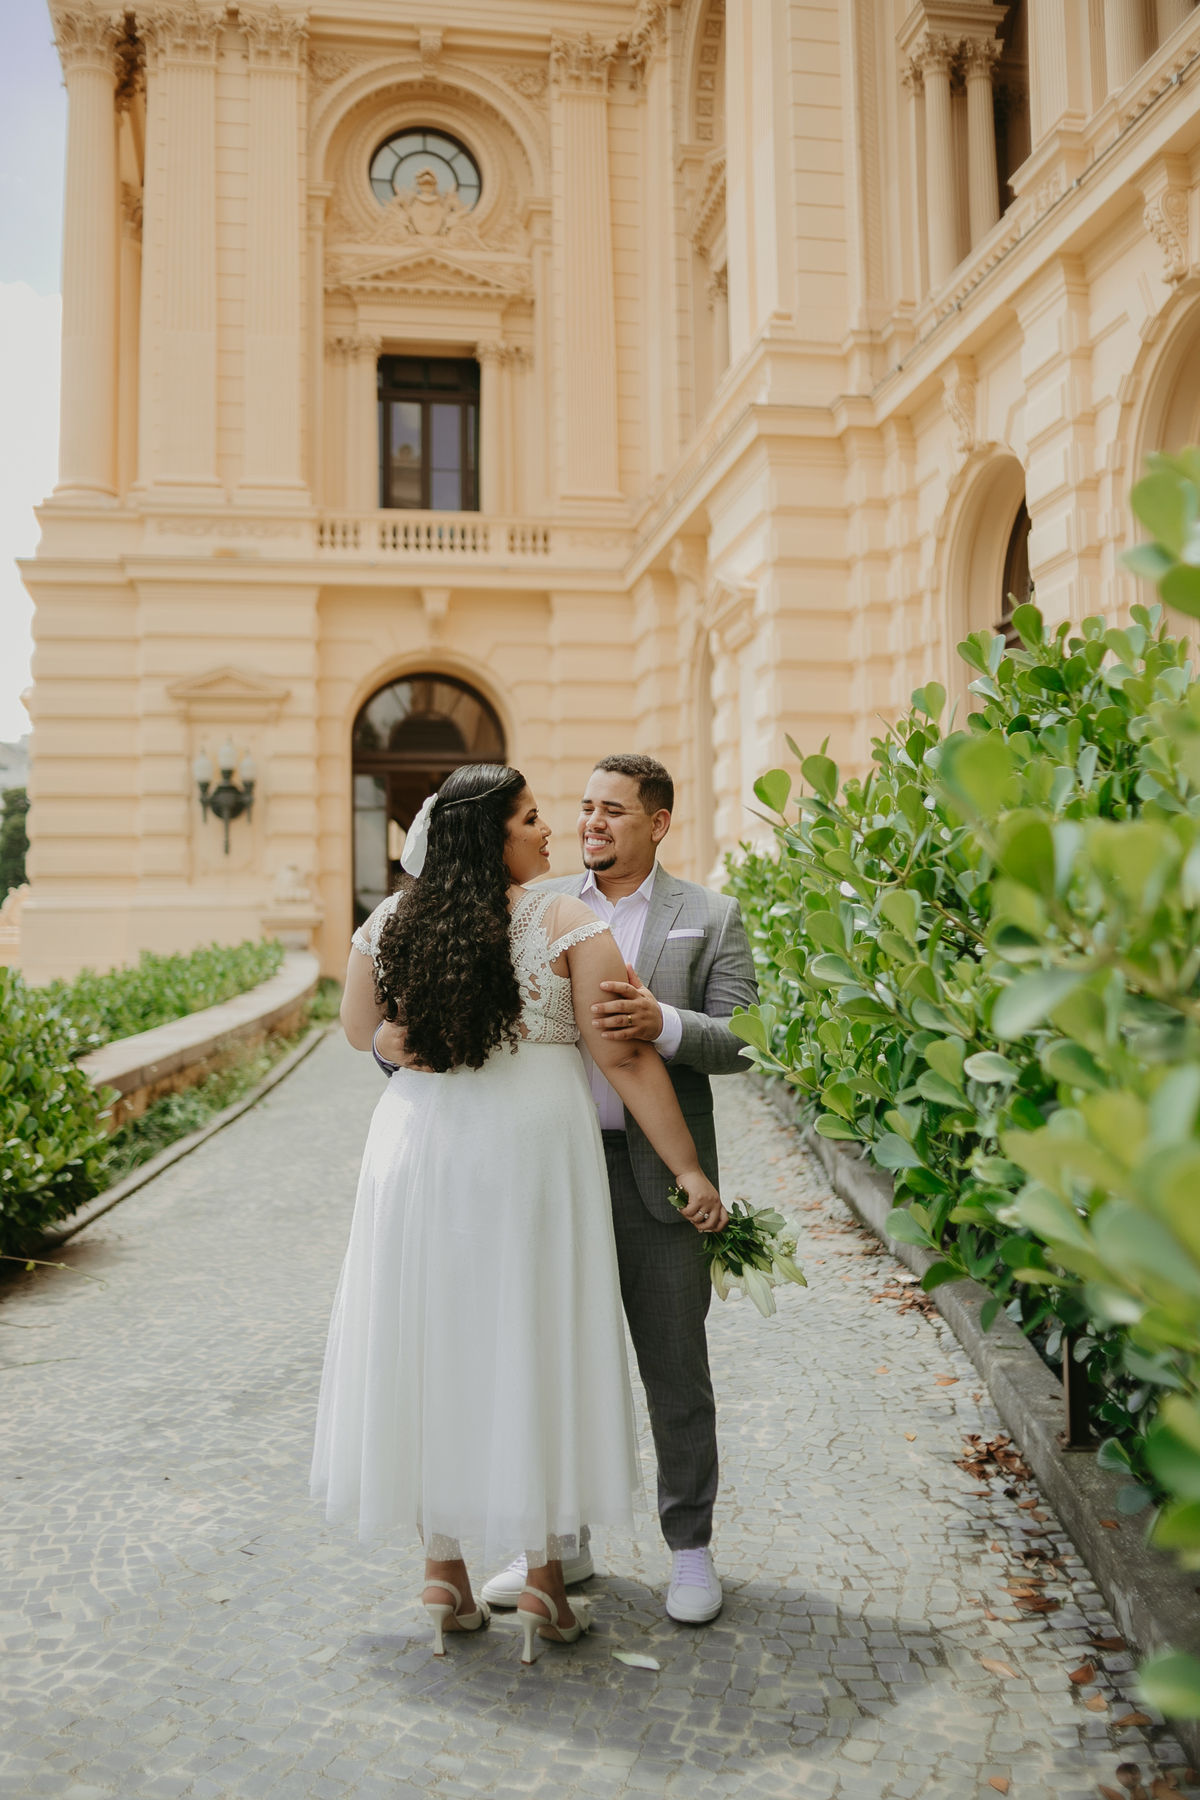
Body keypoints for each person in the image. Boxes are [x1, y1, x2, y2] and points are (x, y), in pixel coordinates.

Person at [310, 762, 727, 1665]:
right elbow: (625, 1059)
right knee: (536, 1338)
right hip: (527, 1151)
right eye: (531, 818)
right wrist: (689, 1169)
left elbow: (356, 1030)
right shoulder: (564, 922)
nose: (548, 831)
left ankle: (443, 1571)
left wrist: (389, 1040)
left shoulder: (389, 923)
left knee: (433, 1340)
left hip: (417, 1149)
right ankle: (544, 1578)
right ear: (491, 834)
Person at [481, 753, 757, 1626]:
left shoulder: (710, 917)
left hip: (658, 1176)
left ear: (659, 823)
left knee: (675, 1368)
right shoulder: (534, 906)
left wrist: (664, 1024)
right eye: (586, 807)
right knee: (554, 1359)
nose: (591, 823)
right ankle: (558, 1546)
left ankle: (691, 1551)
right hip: (552, 1167)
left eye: (613, 810)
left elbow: (746, 1039)